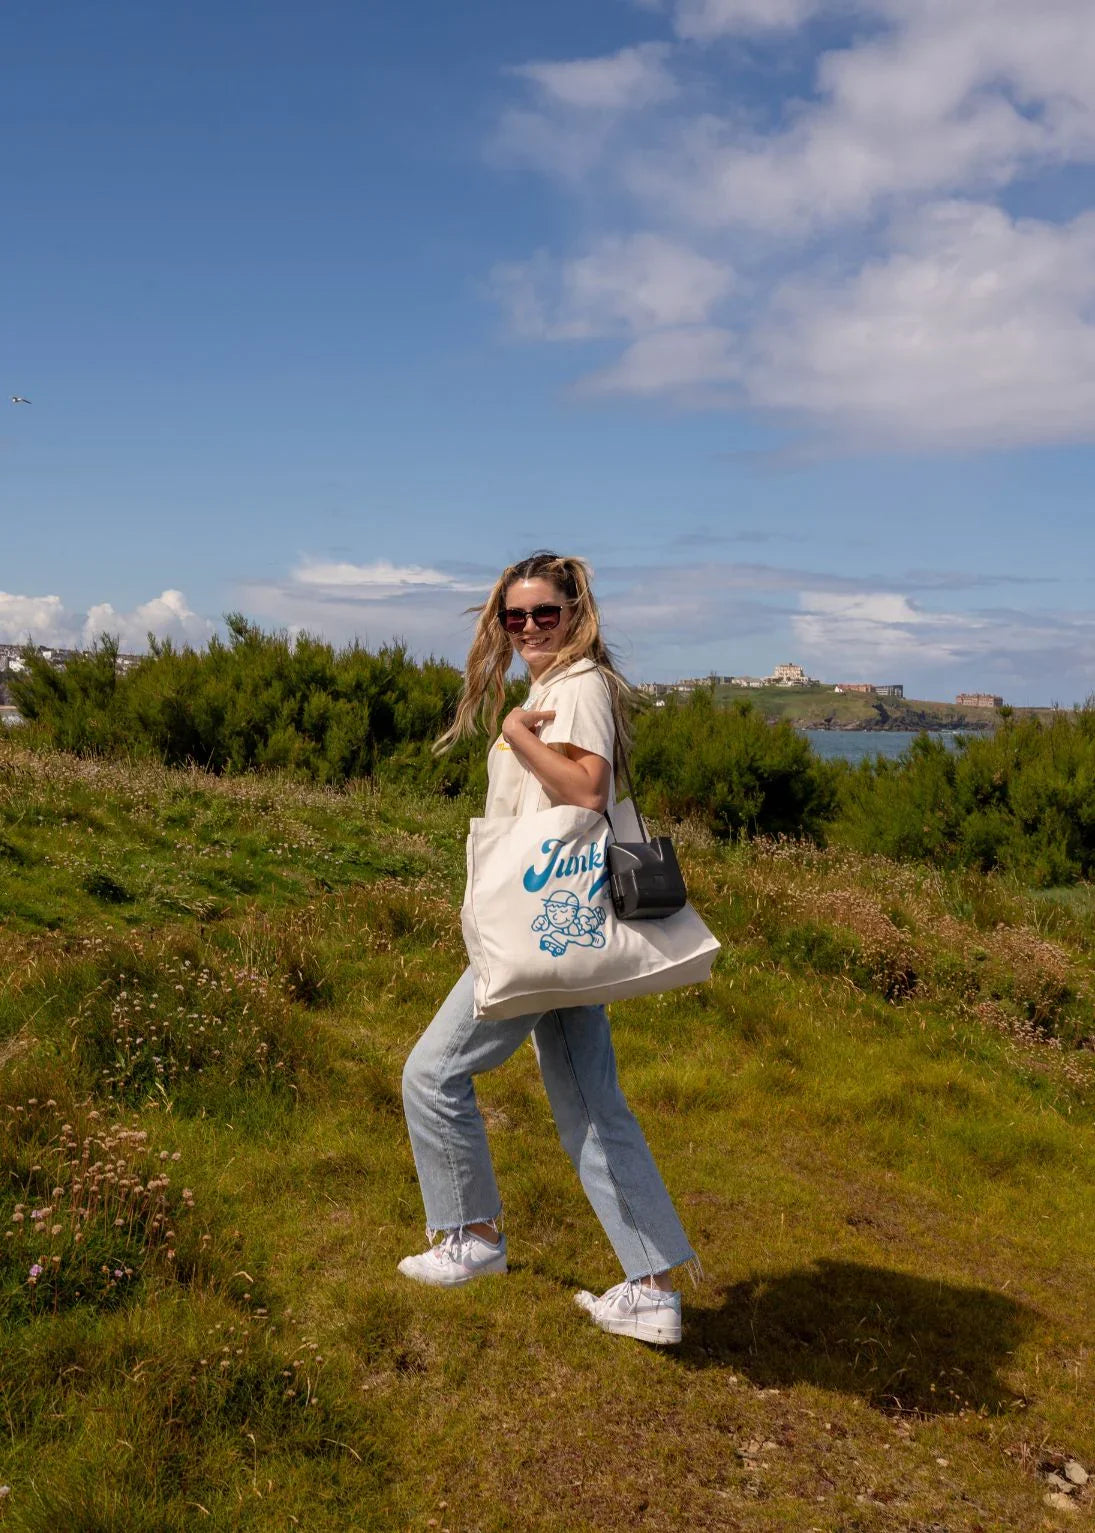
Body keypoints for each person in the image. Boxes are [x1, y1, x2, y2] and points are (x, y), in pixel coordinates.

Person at [398, 550, 696, 1345]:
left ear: (576, 614)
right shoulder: (555, 687)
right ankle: (651, 1286)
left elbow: (587, 791)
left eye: (544, 614)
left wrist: (509, 735)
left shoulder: (579, 687)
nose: (528, 627)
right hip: (560, 929)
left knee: (431, 1074)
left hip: (541, 929)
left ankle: (472, 1237)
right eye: (514, 616)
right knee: (591, 1104)